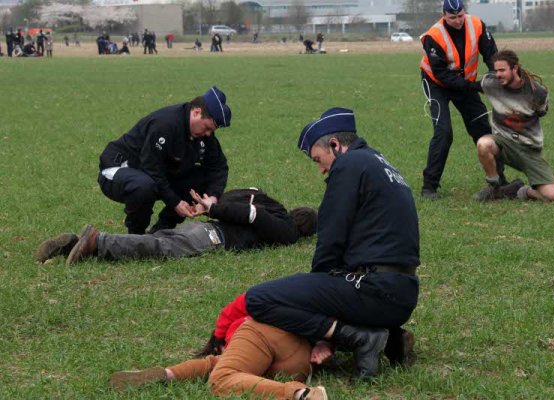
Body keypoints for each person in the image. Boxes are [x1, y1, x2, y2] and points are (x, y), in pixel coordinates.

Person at [244, 108, 420, 379]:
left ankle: (361, 338)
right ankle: (391, 338)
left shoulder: (348, 166)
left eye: (318, 159)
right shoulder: (380, 163)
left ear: (336, 145)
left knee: (258, 299)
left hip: (374, 289)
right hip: (403, 295)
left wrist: (319, 316)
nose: (321, 169)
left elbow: (330, 240)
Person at [108, 293, 329, 399]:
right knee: (219, 364)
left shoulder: (246, 317)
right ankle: (167, 374)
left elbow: (237, 306)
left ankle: (300, 394)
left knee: (221, 376)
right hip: (302, 360)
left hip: (261, 334)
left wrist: (219, 338)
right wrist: (326, 342)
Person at [35, 188, 318, 264]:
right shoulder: (286, 227)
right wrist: (214, 208)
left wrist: (214, 205)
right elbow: (252, 215)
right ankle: (98, 241)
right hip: (215, 236)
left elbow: (242, 197)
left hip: (211, 228)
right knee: (160, 245)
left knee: (159, 240)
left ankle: (73, 244)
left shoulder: (269, 201)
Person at [96, 87, 231, 235]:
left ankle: (161, 231)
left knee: (202, 178)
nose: (208, 134)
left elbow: (218, 167)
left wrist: (212, 197)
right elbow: (151, 167)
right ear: (196, 112)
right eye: (207, 128)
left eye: (212, 131)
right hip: (117, 169)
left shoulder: (203, 135)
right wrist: (175, 202)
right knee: (144, 185)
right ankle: (136, 237)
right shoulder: (166, 124)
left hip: (150, 174)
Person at [419, 0, 500, 200]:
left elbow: (491, 54)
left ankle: (499, 181)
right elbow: (442, 74)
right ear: (444, 15)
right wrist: (475, 87)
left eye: (460, 15)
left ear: (465, 12)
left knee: (482, 128)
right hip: (436, 83)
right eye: (452, 17)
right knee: (444, 132)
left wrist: (496, 74)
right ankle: (429, 187)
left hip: (465, 82)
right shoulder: (433, 36)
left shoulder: (477, 25)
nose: (457, 21)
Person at [472, 50, 554, 202]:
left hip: (529, 149)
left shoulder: (537, 92)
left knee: (552, 196)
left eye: (502, 70)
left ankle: (521, 191)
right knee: (483, 144)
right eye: (496, 70)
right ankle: (495, 189)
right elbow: (469, 86)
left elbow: (542, 111)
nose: (498, 74)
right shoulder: (491, 83)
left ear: (515, 68)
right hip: (503, 143)